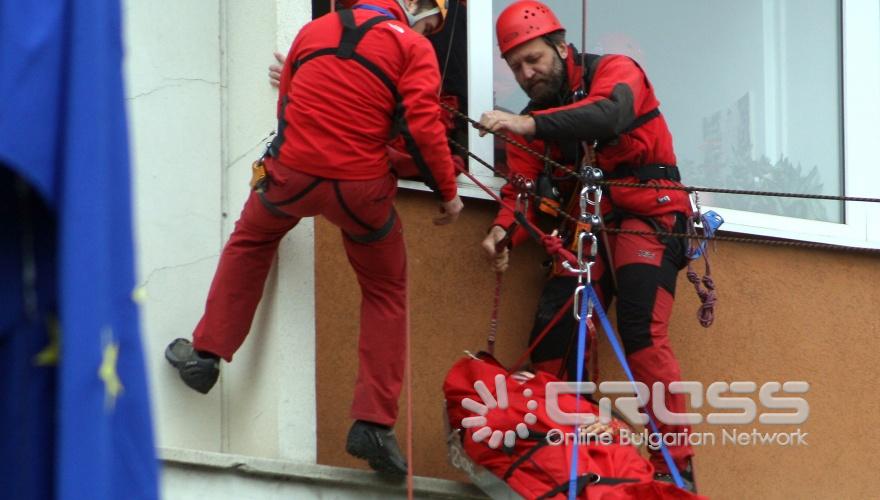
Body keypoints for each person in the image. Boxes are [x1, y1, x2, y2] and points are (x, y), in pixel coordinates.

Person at [165, 0, 463, 477]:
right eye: (432, 24)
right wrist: (448, 193)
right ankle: (373, 424)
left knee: (250, 242)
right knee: (386, 293)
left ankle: (205, 356)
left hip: (291, 177)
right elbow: (423, 127)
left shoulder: (313, 29)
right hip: (361, 192)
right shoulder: (413, 48)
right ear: (416, 6)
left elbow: (288, 106)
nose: (429, 34)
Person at [477, 0, 697, 491]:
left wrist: (527, 124)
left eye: (533, 59)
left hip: (651, 214)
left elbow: (610, 114)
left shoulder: (617, 72)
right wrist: (502, 232)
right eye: (516, 68)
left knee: (641, 334)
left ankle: (674, 466)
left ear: (560, 46)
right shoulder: (535, 118)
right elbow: (521, 189)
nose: (526, 73)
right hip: (593, 223)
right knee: (553, 335)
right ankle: (562, 455)